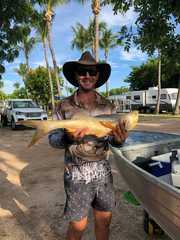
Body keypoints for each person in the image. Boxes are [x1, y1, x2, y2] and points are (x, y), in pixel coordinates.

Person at [49, 51, 128, 240]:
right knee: (77, 227)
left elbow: (113, 142)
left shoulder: (109, 106)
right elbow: (53, 139)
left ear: (98, 76)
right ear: (76, 75)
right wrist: (68, 138)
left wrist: (119, 140)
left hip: (104, 175)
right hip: (76, 176)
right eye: (82, 72)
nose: (87, 76)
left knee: (104, 222)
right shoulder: (63, 106)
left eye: (92, 72)